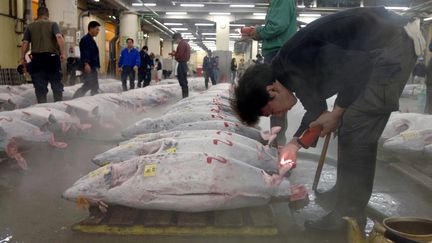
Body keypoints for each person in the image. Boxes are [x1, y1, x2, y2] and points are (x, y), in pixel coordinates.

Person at [231, 7, 423, 231]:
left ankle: (348, 217)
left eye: (270, 111)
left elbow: (359, 64)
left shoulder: (296, 60)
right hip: (375, 49)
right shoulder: (289, 76)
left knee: (356, 125)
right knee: (346, 122)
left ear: (271, 90)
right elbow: (318, 113)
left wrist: (339, 111)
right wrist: (295, 144)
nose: (277, 115)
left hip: (393, 42)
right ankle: (345, 190)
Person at [244, 0, 297, 147]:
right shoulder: (275, 2)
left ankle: (279, 146)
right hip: (275, 52)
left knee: (276, 99)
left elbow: (278, 25)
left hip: (278, 52)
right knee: (275, 99)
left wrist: (258, 32)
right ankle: (277, 142)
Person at [20, 6, 66, 103]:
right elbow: (59, 37)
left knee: (40, 88)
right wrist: (62, 53)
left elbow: (25, 43)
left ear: (37, 15)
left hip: (37, 59)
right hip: (52, 59)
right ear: (47, 15)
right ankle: (59, 107)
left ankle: (42, 109)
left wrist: (22, 58)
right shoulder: (53, 24)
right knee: (56, 85)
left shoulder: (30, 26)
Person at [73, 21, 101, 98]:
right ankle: (75, 99)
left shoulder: (91, 40)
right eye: (97, 29)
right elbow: (85, 52)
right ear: (91, 28)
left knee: (93, 86)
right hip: (89, 66)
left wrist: (97, 66)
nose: (98, 31)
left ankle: (94, 102)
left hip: (92, 66)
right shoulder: (85, 40)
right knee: (89, 85)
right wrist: (86, 64)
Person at [172, 32, 191, 98]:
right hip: (183, 63)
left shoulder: (182, 44)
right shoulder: (185, 43)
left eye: (175, 40)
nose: (175, 42)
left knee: (182, 80)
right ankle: (185, 96)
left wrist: (175, 55)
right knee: (183, 80)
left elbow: (180, 55)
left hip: (182, 64)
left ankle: (185, 96)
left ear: (177, 38)